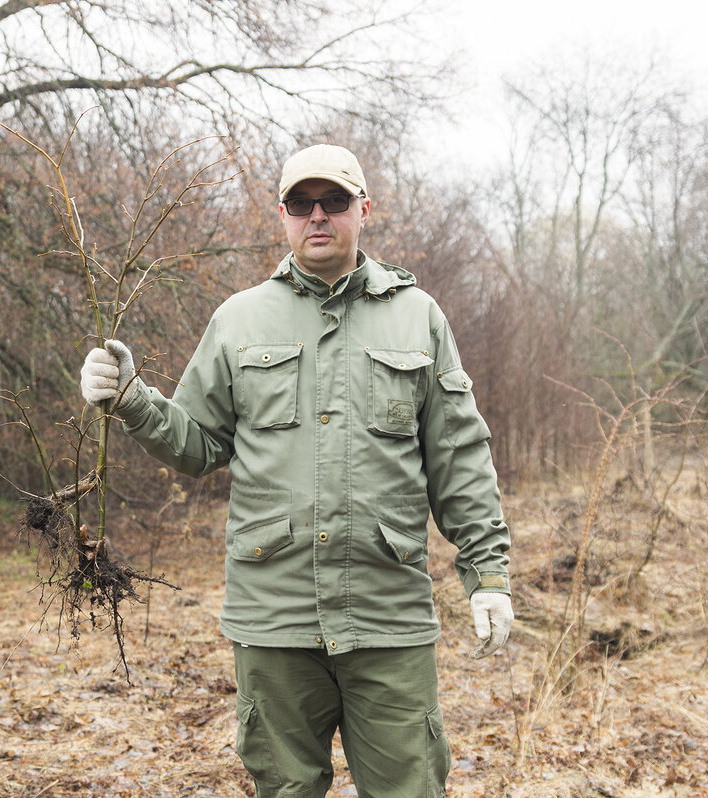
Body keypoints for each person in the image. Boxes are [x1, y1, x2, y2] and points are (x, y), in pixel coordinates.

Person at [79, 144, 513, 798]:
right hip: (273, 619)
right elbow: (198, 445)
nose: (318, 216)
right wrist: (131, 400)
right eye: (301, 204)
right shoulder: (239, 319)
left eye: (334, 202)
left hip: (387, 620)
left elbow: (459, 456)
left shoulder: (417, 318)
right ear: (281, 216)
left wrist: (488, 574)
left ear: (363, 210)